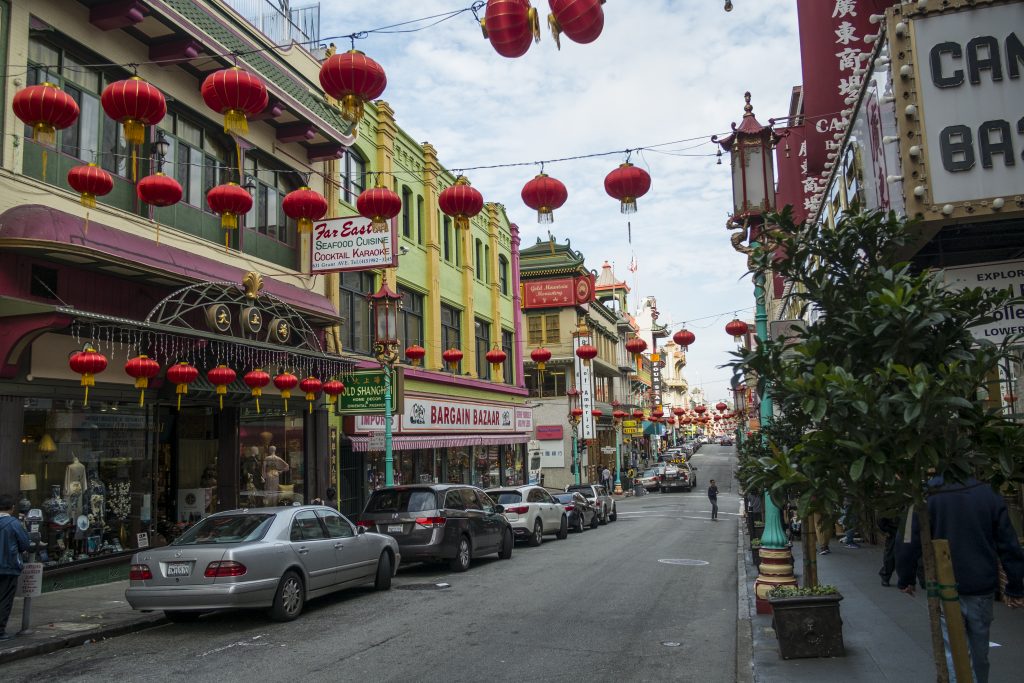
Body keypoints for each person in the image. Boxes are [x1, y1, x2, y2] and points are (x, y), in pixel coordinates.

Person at [896, 477, 1024, 683]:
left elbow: (907, 540)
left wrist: (906, 577)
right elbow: (1008, 544)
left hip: (943, 585)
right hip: (981, 583)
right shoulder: (988, 492)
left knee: (953, 651)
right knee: (979, 650)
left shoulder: (927, 494)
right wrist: (1015, 586)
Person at [1, 494, 31, 641]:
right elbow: (25, 544)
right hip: (8, 566)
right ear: (12, 508)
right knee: (5, 599)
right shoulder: (14, 524)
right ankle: (0, 631)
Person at [877, 516, 898, 587]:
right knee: (890, 557)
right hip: (893, 531)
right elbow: (880, 520)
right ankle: (885, 575)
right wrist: (886, 530)